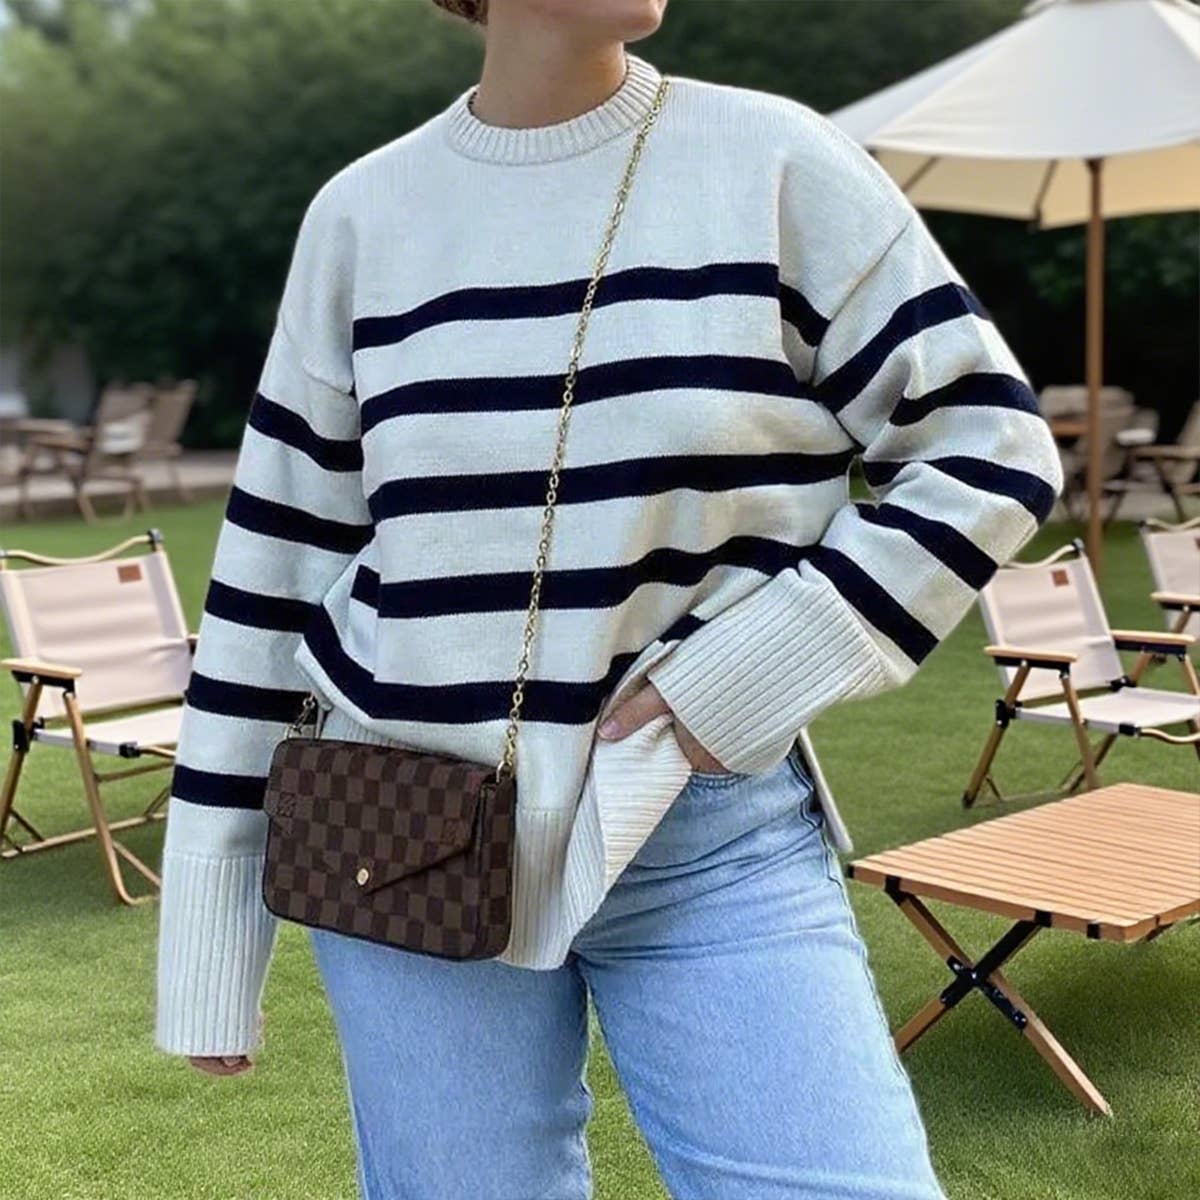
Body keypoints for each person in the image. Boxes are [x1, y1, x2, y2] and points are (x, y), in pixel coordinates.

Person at [154, 1, 1064, 1196]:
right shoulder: (365, 216)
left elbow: (990, 449)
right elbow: (272, 572)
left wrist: (747, 676)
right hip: (401, 833)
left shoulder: (776, 164)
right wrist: (213, 921)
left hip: (704, 834)